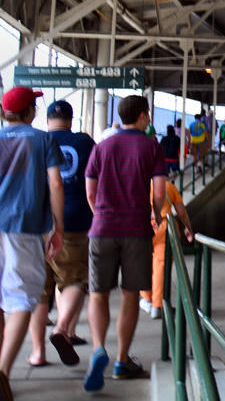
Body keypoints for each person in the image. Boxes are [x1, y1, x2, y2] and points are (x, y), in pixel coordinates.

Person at [0, 87, 65, 401]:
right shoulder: (43, 140)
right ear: (29, 112)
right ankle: (2, 374)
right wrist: (58, 225)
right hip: (25, 228)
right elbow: (55, 183)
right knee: (23, 300)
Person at [83, 95, 166, 392]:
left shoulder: (101, 147)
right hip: (136, 230)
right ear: (143, 116)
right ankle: (121, 361)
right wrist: (155, 215)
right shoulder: (152, 147)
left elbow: (90, 192)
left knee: (98, 293)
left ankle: (98, 349)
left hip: (102, 228)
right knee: (130, 294)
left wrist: (102, 216)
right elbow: (158, 193)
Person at [28, 100, 94, 368]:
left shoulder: (35, 142)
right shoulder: (85, 143)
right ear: (71, 118)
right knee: (74, 281)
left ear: (46, 120)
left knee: (39, 292)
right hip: (75, 221)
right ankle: (62, 329)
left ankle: (37, 353)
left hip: (35, 223)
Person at [138, 180, 194, 320]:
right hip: (164, 226)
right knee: (160, 266)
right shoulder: (168, 186)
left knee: (142, 264)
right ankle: (157, 306)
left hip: (141, 226)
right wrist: (188, 228)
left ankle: (146, 299)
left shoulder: (138, 184)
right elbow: (181, 211)